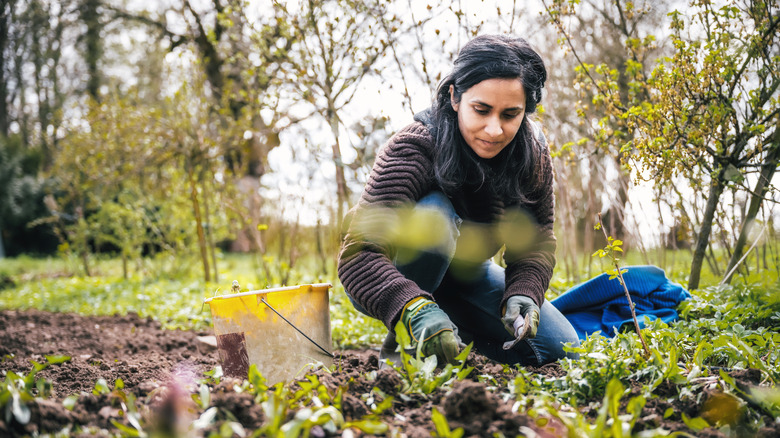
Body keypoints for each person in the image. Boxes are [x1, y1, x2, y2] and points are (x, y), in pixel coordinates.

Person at [338, 34, 580, 367]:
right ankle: (403, 348)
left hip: (467, 275)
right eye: (481, 110)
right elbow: (359, 255)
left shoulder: (532, 155)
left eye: (510, 115)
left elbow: (536, 241)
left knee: (558, 346)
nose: (494, 130)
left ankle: (448, 335)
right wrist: (412, 307)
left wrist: (524, 291)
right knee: (434, 218)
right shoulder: (416, 146)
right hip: (387, 271)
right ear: (454, 97)